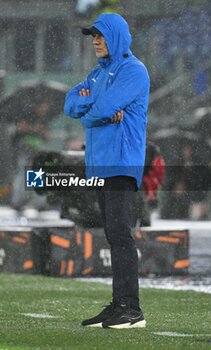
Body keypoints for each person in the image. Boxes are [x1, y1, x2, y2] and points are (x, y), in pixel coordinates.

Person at [64, 13, 150, 329]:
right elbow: (69, 104)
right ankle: (119, 305)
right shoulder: (98, 74)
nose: (95, 41)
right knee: (114, 235)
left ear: (115, 37)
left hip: (121, 163)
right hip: (100, 164)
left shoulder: (134, 71)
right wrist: (98, 109)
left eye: (99, 36)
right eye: (92, 37)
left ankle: (131, 310)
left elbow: (93, 110)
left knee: (120, 235)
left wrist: (93, 110)